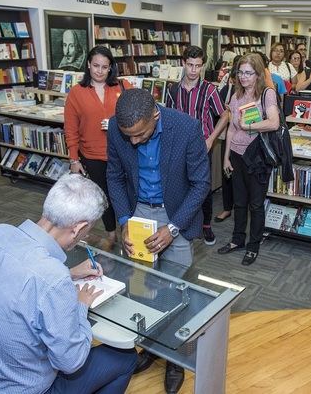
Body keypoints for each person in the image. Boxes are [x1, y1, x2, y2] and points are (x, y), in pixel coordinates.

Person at [0, 173, 138, 393]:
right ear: (78, 229)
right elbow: (71, 362)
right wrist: (81, 306)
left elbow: (13, 281)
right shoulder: (52, 277)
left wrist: (68, 274)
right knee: (125, 357)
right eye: (87, 231)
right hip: (23, 388)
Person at [107, 88, 209, 394]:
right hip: (137, 211)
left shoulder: (187, 127)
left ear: (155, 115)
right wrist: (124, 220)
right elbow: (114, 175)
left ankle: (174, 358)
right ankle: (151, 347)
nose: (134, 141)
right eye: (129, 136)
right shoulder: (116, 127)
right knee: (142, 287)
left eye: (140, 134)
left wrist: (174, 227)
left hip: (175, 212)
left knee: (177, 292)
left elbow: (201, 183)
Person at [65, 45, 131, 251]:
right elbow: (71, 128)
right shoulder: (76, 93)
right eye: (96, 66)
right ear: (88, 65)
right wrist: (74, 159)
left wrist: (115, 122)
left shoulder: (123, 87)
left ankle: (128, 231)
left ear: (111, 67)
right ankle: (111, 234)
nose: (100, 71)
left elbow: (136, 116)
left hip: (122, 153)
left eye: (105, 66)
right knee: (103, 199)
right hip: (92, 156)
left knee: (125, 194)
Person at [218, 53, 280, 266]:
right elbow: (231, 130)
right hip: (236, 155)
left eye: (248, 73)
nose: (243, 77)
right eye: (240, 72)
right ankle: (237, 240)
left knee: (256, 204)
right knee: (239, 202)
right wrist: (226, 158)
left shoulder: (267, 95)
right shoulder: (235, 96)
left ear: (258, 74)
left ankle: (253, 246)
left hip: (258, 158)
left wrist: (250, 126)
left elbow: (273, 123)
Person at [165, 45, 228, 246]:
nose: (193, 70)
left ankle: (206, 225)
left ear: (202, 66)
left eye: (198, 66)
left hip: (203, 146)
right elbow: (168, 117)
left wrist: (211, 139)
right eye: (190, 65)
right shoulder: (173, 89)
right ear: (183, 63)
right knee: (180, 185)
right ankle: (182, 222)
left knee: (202, 187)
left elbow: (225, 115)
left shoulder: (210, 90)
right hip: (178, 146)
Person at [215, 55, 242, 223]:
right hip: (229, 136)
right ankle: (227, 207)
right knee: (227, 174)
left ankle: (240, 209)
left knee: (242, 176)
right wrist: (225, 111)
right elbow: (218, 109)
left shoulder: (255, 92)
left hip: (247, 139)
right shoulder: (229, 89)